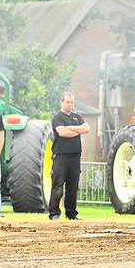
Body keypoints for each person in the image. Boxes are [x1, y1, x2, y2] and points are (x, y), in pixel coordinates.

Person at [48, 92, 89, 220]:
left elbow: (86, 128)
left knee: (73, 187)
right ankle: (54, 213)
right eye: (68, 102)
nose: (70, 105)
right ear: (62, 102)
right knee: (58, 185)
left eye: (72, 102)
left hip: (75, 155)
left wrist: (71, 128)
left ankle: (71, 213)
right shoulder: (57, 118)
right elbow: (62, 133)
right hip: (61, 156)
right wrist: (77, 130)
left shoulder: (77, 117)